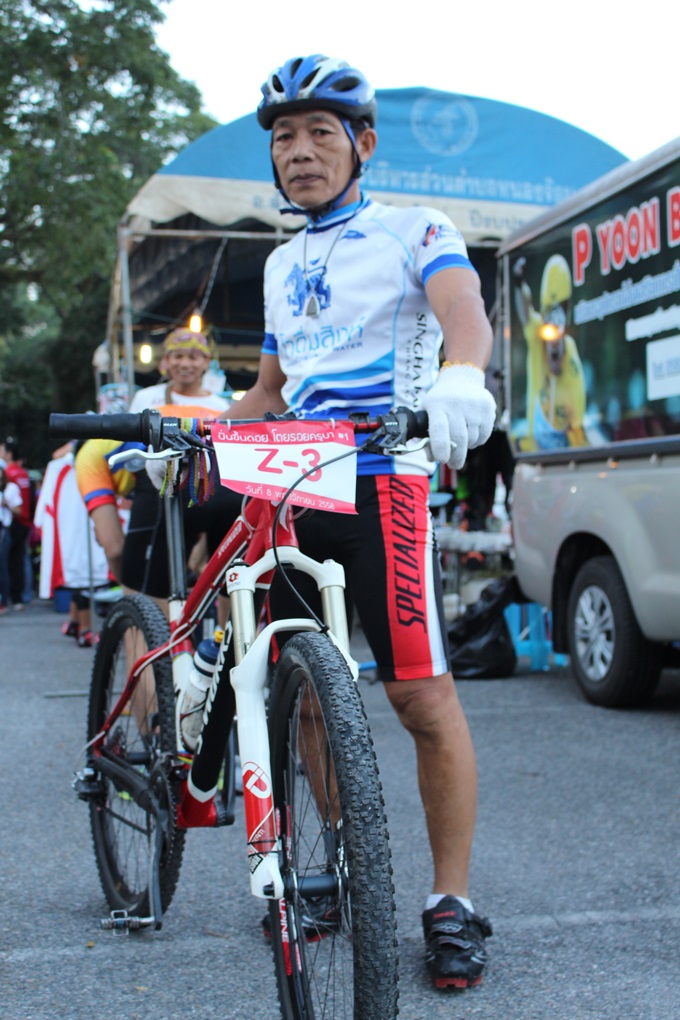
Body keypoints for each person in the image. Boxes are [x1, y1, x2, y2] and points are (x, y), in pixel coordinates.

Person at [224, 54, 497, 989]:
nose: (299, 152)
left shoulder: (415, 227)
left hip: (385, 482)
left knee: (420, 698)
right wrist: (198, 433)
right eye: (283, 137)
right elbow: (270, 391)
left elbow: (463, 308)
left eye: (319, 133)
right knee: (302, 687)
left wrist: (464, 373)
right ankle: (340, 861)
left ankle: (451, 900)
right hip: (294, 487)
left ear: (363, 143)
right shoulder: (278, 262)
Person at [122, 327, 240, 607]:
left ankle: (225, 633)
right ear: (165, 360)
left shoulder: (220, 405)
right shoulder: (146, 398)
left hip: (207, 492)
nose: (185, 363)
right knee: (149, 574)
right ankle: (154, 632)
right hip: (155, 491)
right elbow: (132, 448)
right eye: (177, 356)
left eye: (193, 357)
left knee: (227, 570)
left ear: (206, 361)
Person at [513, 254, 587, 450]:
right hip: (533, 447)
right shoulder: (537, 334)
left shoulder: (570, 355)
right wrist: (519, 284)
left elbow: (578, 415)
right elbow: (525, 312)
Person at [0, 436, 33, 610]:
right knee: (20, 560)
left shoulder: (10, 474)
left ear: (9, 454)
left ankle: (13, 597)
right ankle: (21, 596)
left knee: (9, 562)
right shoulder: (23, 473)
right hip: (25, 521)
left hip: (13, 522)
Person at [0, 459, 23, 615]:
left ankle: (4, 601)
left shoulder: (11, 488)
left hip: (4, 530)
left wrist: (6, 503)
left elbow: (19, 511)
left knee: (3, 566)